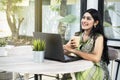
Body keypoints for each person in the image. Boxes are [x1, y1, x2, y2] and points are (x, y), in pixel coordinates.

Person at [63, 8, 111, 80]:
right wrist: (65, 48)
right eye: (83, 18)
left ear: (95, 22)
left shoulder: (98, 37)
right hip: (80, 66)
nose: (84, 21)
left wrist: (74, 51)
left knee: (81, 74)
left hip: (95, 68)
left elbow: (96, 58)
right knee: (67, 72)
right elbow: (66, 51)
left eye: (88, 19)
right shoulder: (77, 35)